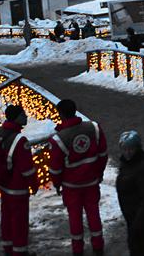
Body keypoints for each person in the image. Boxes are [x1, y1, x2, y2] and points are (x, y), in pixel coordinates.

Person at [48, 99, 108, 256]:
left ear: (61, 114)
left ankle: (77, 248)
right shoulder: (93, 128)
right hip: (92, 181)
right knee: (93, 212)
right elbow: (102, 153)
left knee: (74, 216)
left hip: (71, 186)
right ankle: (98, 245)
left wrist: (57, 184)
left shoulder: (58, 140)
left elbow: (55, 168)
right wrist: (99, 172)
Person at [0, 105, 40, 256]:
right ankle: (20, 251)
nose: (26, 116)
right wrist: (34, 184)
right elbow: (27, 168)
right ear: (17, 118)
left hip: (4, 183)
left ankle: (8, 247)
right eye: (23, 114)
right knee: (19, 220)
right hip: (17, 187)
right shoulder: (20, 140)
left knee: (6, 216)